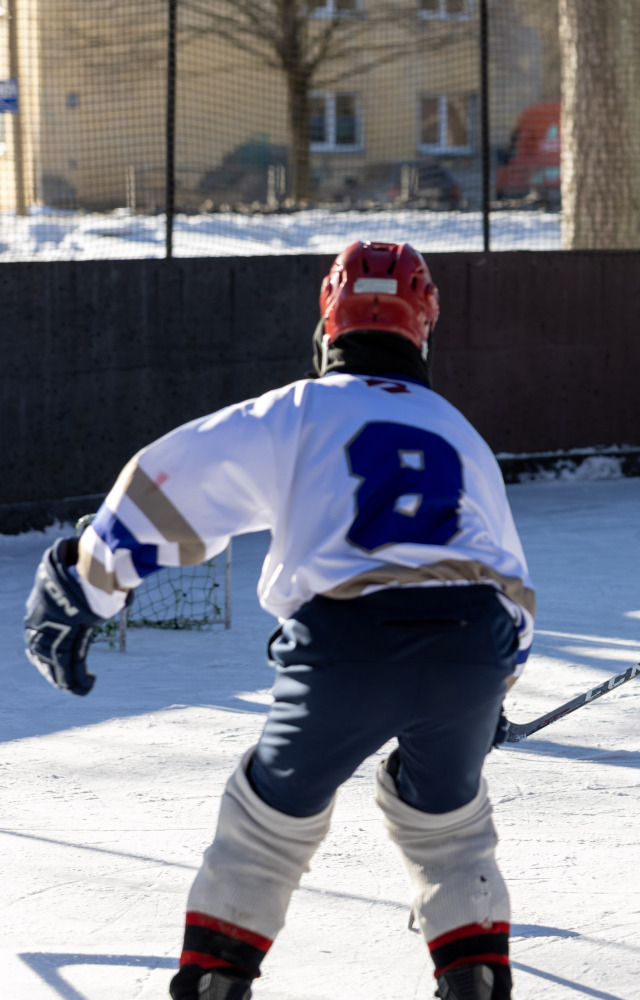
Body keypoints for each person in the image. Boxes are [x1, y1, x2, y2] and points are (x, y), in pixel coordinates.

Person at [23, 242, 534, 999]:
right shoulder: (459, 431)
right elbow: (509, 578)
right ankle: (477, 977)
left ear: (329, 326)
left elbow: (171, 486)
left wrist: (85, 585)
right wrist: (492, 690)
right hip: (473, 643)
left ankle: (215, 983)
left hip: (344, 642)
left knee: (265, 823)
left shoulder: (300, 410)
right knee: (449, 822)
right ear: (423, 330)